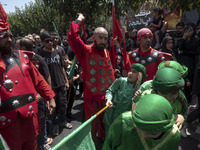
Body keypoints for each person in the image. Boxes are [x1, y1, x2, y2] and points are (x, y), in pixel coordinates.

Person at [0, 5, 56, 149]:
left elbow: (38, 80)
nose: (9, 40)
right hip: (6, 125)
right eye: (3, 37)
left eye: (10, 36)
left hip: (29, 118)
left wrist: (50, 97)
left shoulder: (21, 57)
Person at [68, 13, 115, 145]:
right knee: (91, 126)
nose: (103, 41)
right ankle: (91, 145)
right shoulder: (86, 50)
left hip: (106, 98)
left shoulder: (107, 52)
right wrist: (78, 20)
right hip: (92, 99)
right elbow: (73, 37)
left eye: (105, 38)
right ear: (93, 38)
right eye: (100, 38)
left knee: (105, 124)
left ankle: (103, 139)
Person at [103, 94, 180, 150]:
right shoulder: (124, 121)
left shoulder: (172, 134)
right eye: (139, 128)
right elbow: (108, 145)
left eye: (153, 133)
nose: (143, 135)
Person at [38, 31, 72, 136]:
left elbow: (62, 67)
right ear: (42, 42)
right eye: (47, 41)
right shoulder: (40, 55)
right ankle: (55, 125)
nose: (50, 43)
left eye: (51, 40)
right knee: (52, 108)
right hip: (49, 87)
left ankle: (63, 121)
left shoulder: (58, 52)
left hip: (60, 83)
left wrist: (66, 80)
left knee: (62, 105)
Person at [104, 63, 146, 133]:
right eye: (130, 71)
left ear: (140, 76)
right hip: (113, 116)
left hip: (127, 120)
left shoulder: (142, 88)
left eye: (134, 72)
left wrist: (138, 86)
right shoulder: (121, 81)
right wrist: (108, 99)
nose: (130, 73)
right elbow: (110, 90)